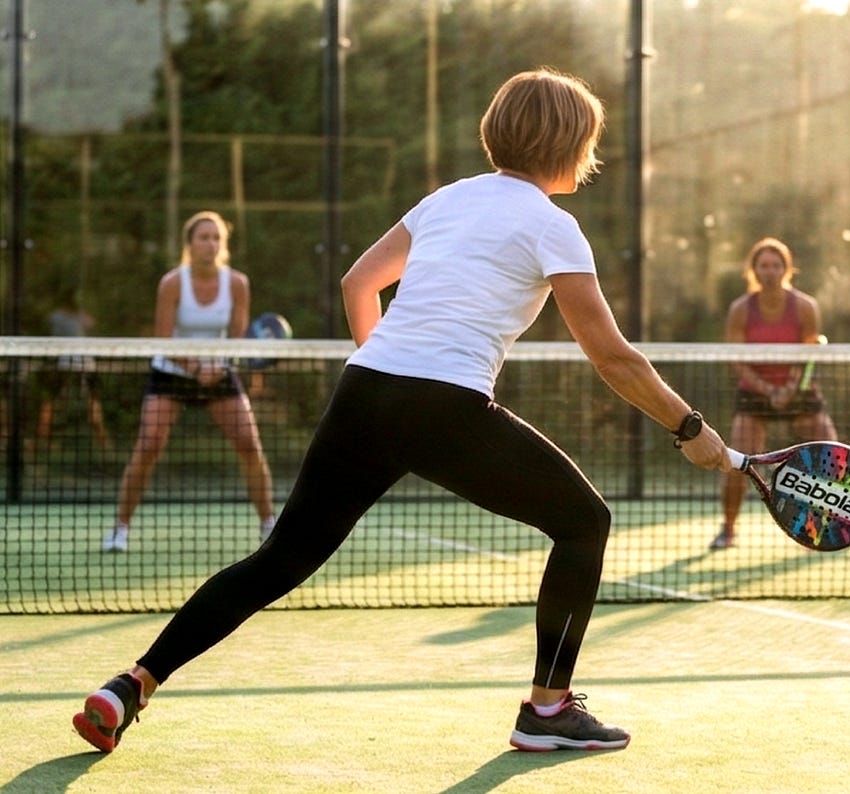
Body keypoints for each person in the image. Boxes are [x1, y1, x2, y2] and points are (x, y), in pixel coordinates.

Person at [73, 68, 731, 755]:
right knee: (585, 522)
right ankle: (547, 710)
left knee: (281, 558)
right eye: (588, 142)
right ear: (566, 145)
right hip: (443, 403)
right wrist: (689, 428)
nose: (591, 157)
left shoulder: (445, 200)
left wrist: (388, 369)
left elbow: (359, 282)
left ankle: (131, 685)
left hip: (364, 390)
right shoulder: (554, 227)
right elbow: (612, 357)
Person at [102, 211, 276, 553]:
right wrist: (196, 369)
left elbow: (238, 337)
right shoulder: (172, 283)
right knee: (149, 444)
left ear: (222, 245)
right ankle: (120, 529)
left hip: (220, 372)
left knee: (249, 444)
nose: (210, 244)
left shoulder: (237, 283)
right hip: (172, 372)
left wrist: (220, 366)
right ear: (190, 244)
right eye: (203, 237)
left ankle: (270, 526)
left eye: (216, 238)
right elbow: (164, 339)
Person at [711, 237, 837, 550]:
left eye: (776, 265)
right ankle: (728, 529)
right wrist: (768, 390)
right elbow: (737, 359)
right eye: (763, 265)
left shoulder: (806, 306)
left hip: (798, 388)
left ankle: (828, 524)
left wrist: (791, 387)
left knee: (831, 453)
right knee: (737, 459)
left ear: (787, 269)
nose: (770, 271)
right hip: (754, 392)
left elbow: (809, 351)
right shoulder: (741, 309)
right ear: (753, 270)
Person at [35, 286, 111, 451]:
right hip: (68, 365)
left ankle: (103, 441)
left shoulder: (72, 317)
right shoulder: (60, 317)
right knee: (55, 402)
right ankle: (42, 440)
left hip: (81, 364)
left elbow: (92, 325)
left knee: (89, 401)